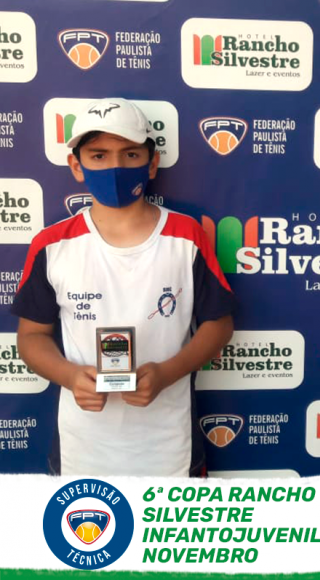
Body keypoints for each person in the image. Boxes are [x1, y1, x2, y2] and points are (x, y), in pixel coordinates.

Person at [11, 98, 235, 477]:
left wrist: (166, 373)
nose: (115, 167)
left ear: (151, 163)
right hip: (82, 449)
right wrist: (68, 376)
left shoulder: (187, 236)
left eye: (130, 154)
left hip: (170, 446)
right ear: (76, 166)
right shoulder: (52, 244)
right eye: (98, 156)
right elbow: (31, 336)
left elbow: (219, 324)